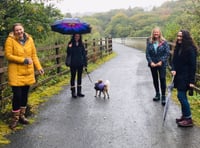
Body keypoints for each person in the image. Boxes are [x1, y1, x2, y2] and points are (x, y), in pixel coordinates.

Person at [4, 23, 44, 129]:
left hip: (28, 72)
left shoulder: (29, 39)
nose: (19, 32)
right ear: (13, 31)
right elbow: (8, 55)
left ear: (23, 29)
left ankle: (22, 116)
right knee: (17, 96)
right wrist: (23, 60)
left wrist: (39, 67)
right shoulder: (10, 40)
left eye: (20, 29)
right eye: (16, 30)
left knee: (25, 95)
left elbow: (34, 55)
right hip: (15, 73)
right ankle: (15, 119)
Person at [171, 29, 197, 127]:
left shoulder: (190, 49)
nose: (178, 38)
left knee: (181, 96)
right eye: (178, 36)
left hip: (185, 77)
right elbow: (173, 61)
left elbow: (193, 66)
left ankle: (188, 118)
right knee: (182, 96)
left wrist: (191, 81)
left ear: (185, 37)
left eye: (181, 36)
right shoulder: (178, 47)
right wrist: (173, 69)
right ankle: (184, 116)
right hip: (178, 76)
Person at [146, 27, 170, 106]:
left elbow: (167, 53)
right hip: (153, 64)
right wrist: (150, 62)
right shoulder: (149, 41)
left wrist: (161, 61)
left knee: (162, 79)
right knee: (155, 79)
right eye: (154, 32)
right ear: (153, 33)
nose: (156, 34)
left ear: (160, 33)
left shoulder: (164, 42)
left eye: (157, 32)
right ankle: (157, 94)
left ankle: (163, 95)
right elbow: (147, 53)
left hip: (161, 64)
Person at [66, 34, 87, 98]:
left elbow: (84, 54)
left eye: (78, 36)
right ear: (73, 36)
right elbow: (68, 53)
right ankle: (73, 92)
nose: (77, 37)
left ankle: (79, 92)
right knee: (73, 77)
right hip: (73, 63)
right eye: (75, 36)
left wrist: (85, 64)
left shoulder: (81, 44)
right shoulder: (70, 43)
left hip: (80, 63)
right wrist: (69, 47)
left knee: (79, 77)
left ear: (80, 37)